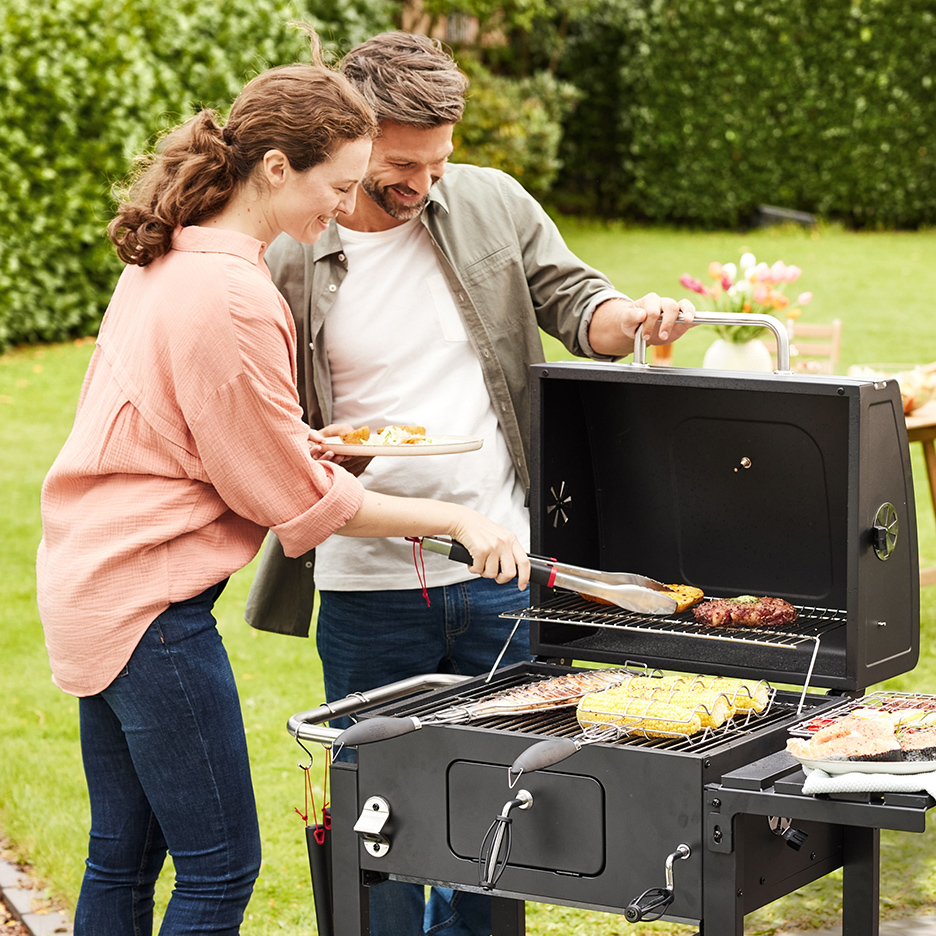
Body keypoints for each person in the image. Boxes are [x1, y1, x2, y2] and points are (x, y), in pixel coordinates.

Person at [35, 31, 531, 936]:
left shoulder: (177, 255)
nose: (347, 207)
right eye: (336, 186)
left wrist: (303, 440)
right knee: (221, 872)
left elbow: (205, 433)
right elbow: (296, 507)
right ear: (274, 167)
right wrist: (452, 518)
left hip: (92, 585)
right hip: (150, 608)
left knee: (121, 857)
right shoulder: (231, 293)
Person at [244, 31, 694, 936]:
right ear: (354, 140)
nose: (428, 180)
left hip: (499, 568)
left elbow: (576, 301)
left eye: (440, 158)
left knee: (504, 815)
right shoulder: (289, 248)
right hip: (366, 580)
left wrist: (630, 317)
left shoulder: (486, 199)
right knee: (383, 825)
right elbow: (260, 418)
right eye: (404, 164)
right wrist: (324, 451)